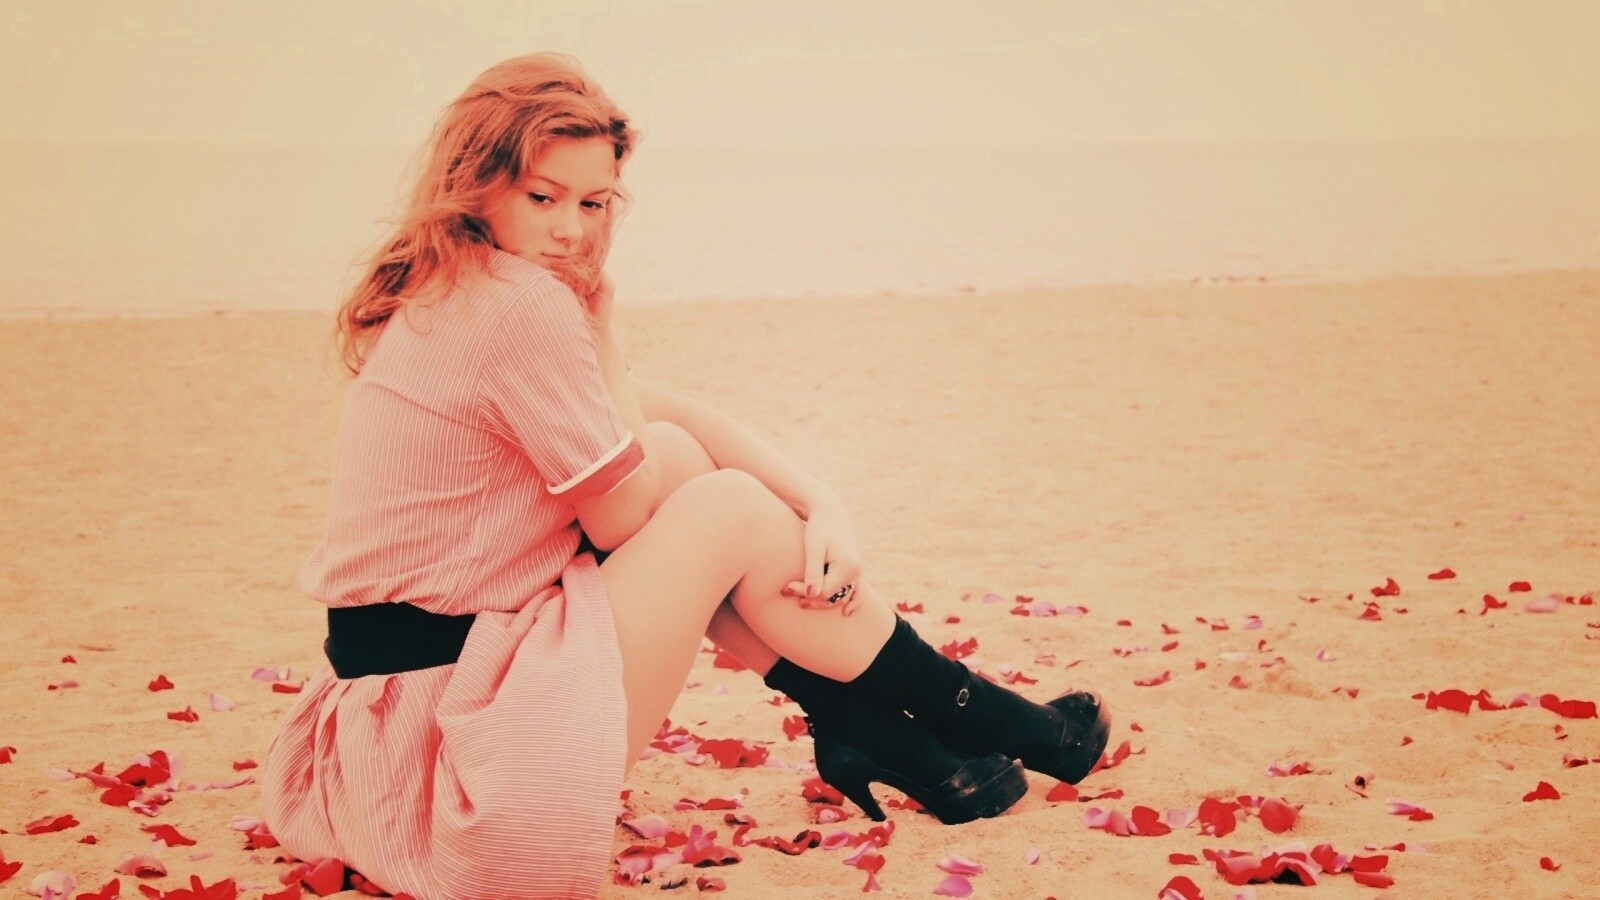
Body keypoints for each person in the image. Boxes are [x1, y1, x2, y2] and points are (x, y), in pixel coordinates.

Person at [260, 51, 1110, 900]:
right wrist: (602, 336)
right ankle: (973, 716)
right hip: (468, 772)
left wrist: (821, 500)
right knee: (722, 502)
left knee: (674, 457)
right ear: (476, 182)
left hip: (380, 753)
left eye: (593, 203)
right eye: (543, 197)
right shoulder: (523, 305)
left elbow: (651, 414)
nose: (571, 231)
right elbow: (624, 520)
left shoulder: (456, 280)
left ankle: (875, 726)